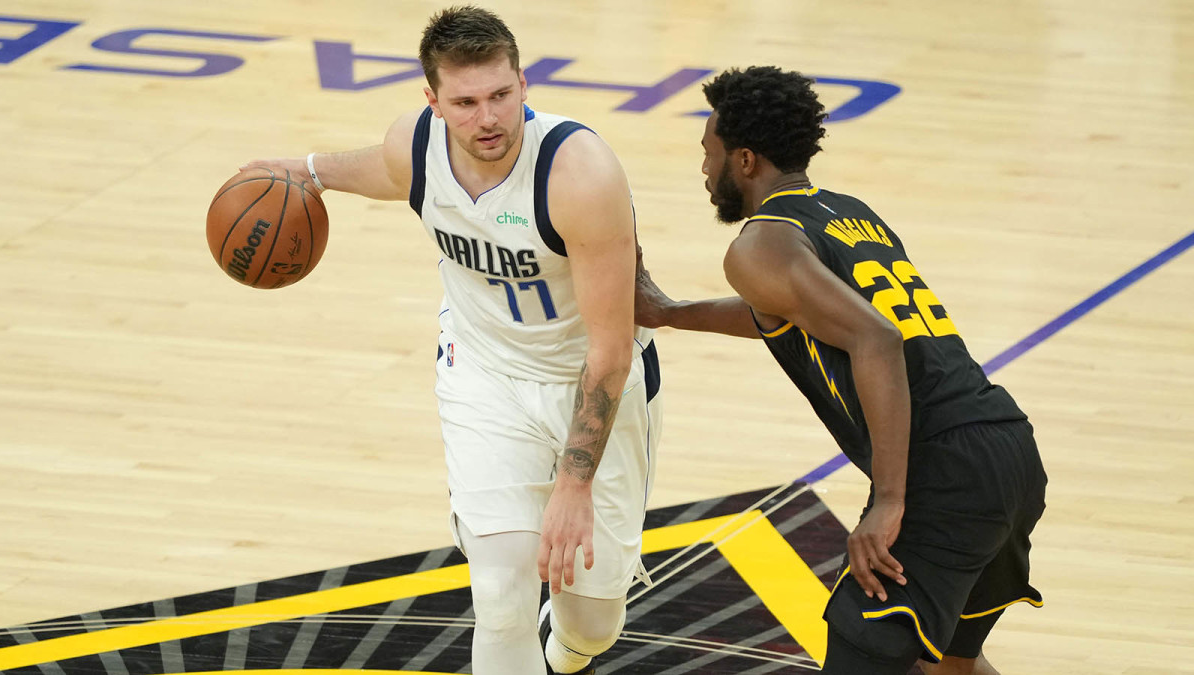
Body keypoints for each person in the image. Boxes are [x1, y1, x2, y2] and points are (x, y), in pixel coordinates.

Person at [243, 6, 662, 674]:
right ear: (433, 102)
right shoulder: (415, 143)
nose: (488, 118)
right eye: (465, 103)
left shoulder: (580, 175)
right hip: (484, 375)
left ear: (524, 83)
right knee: (499, 591)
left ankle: (570, 646)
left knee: (593, 623)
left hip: (588, 384)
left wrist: (572, 485)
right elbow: (392, 170)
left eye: (501, 95)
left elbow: (610, 351)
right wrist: (309, 171)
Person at [634, 66, 1045, 675]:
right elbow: (794, 313)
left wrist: (888, 498)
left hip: (944, 472)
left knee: (864, 651)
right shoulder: (848, 212)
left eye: (708, 153)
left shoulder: (760, 243)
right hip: (1008, 449)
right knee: (952, 664)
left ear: (744, 161)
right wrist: (670, 313)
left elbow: (874, 337)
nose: (703, 169)